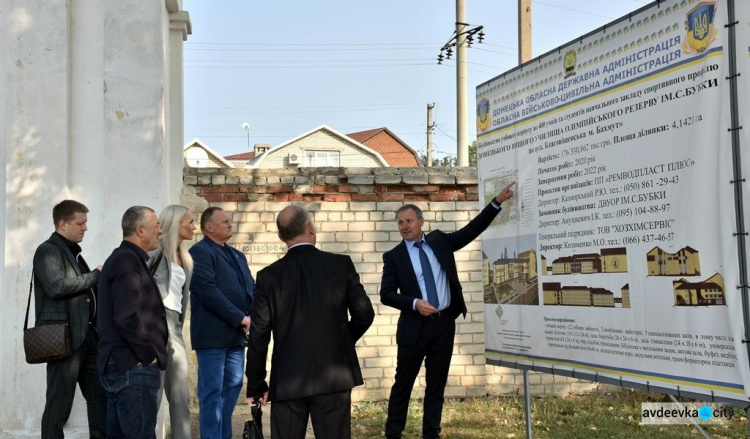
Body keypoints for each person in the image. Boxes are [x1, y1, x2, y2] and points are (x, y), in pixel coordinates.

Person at [381, 182, 516, 439]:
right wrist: (413, 303)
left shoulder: (439, 241)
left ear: (421, 222)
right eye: (400, 222)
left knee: (436, 385)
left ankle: (431, 433)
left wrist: (496, 203)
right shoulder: (394, 256)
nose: (404, 226)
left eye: (409, 220)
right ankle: (393, 434)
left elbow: (470, 231)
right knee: (403, 386)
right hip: (413, 328)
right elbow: (386, 294)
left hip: (443, 325)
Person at [245, 205, 375, 439]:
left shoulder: (268, 276)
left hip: (287, 379)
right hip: (333, 376)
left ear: (281, 237)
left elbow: (259, 334)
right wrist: (340, 342)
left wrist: (256, 383)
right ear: (311, 228)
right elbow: (364, 314)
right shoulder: (340, 265)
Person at [33, 200, 107, 439]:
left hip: (87, 340)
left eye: (85, 223)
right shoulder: (48, 250)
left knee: (101, 401)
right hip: (64, 342)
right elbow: (56, 286)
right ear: (63, 224)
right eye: (80, 223)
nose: (85, 228)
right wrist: (94, 276)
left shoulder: (73, 253)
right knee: (58, 407)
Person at [97, 206, 167, 439]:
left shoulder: (124, 259)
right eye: (156, 226)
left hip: (126, 365)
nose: (160, 231)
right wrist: (149, 354)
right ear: (140, 230)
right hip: (132, 367)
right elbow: (126, 316)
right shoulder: (126, 260)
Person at [190, 207, 254, 439]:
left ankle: (222, 435)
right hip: (212, 337)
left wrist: (254, 315)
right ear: (209, 227)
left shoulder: (237, 255)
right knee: (212, 391)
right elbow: (208, 291)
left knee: (233, 387)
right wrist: (240, 317)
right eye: (225, 221)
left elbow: (250, 289)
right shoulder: (199, 252)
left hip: (236, 337)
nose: (230, 224)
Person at [149, 205, 195, 439]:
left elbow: (182, 300)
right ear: (177, 224)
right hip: (154, 328)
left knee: (180, 397)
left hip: (174, 328)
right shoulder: (155, 253)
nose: (194, 226)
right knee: (152, 397)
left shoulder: (186, 259)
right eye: (190, 222)